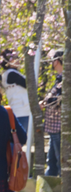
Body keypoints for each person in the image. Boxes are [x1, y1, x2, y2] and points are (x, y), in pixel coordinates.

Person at [41, 49, 63, 177]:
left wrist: (47, 101)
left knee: (60, 160)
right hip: (53, 127)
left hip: (59, 126)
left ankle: (63, 191)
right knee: (52, 161)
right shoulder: (59, 79)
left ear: (57, 61)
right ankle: (49, 188)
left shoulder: (65, 79)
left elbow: (61, 100)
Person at [0, 51, 31, 132]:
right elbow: (29, 84)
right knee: (19, 139)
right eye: (13, 58)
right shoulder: (11, 74)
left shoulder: (10, 73)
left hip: (20, 110)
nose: (17, 60)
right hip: (21, 110)